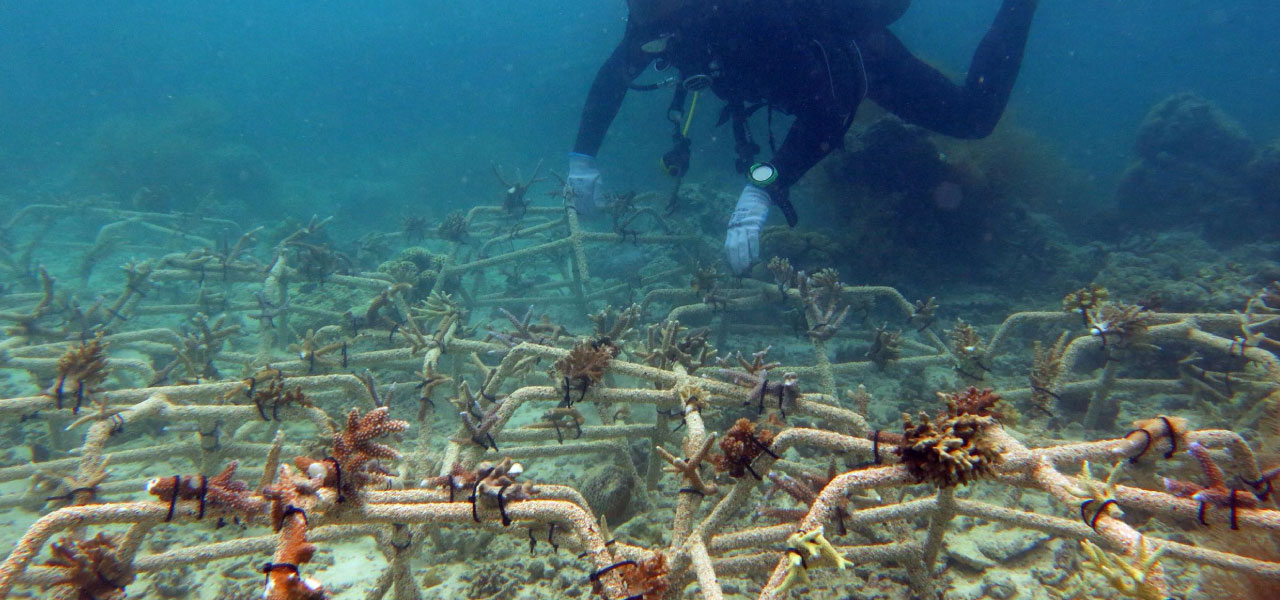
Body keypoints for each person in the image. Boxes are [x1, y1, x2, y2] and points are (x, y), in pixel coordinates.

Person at [566, 0, 1039, 274]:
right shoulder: (654, 16)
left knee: (973, 118)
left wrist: (764, 188)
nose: (640, 16)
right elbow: (615, 74)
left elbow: (831, 111)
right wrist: (582, 157)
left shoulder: (753, 15)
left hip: (855, 64)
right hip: (793, 85)